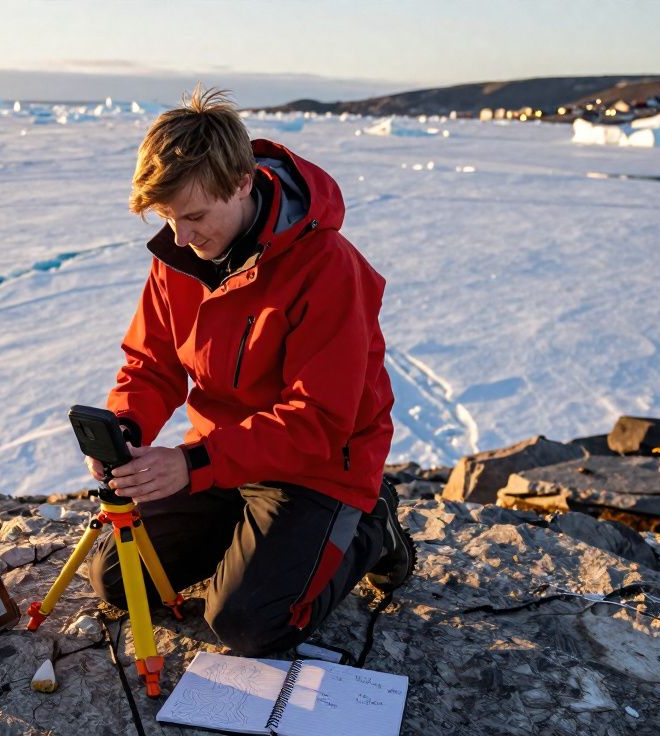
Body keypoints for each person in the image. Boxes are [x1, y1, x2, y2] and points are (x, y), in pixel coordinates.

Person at [85, 87, 415, 657]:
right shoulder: (182, 259)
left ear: (242, 183)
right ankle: (257, 544)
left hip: (317, 469)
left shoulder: (327, 267)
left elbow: (318, 420)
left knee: (248, 624)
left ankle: (371, 525)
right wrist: (126, 427)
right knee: (116, 579)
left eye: (194, 216)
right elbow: (152, 364)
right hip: (224, 461)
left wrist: (193, 465)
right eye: (168, 217)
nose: (180, 238)